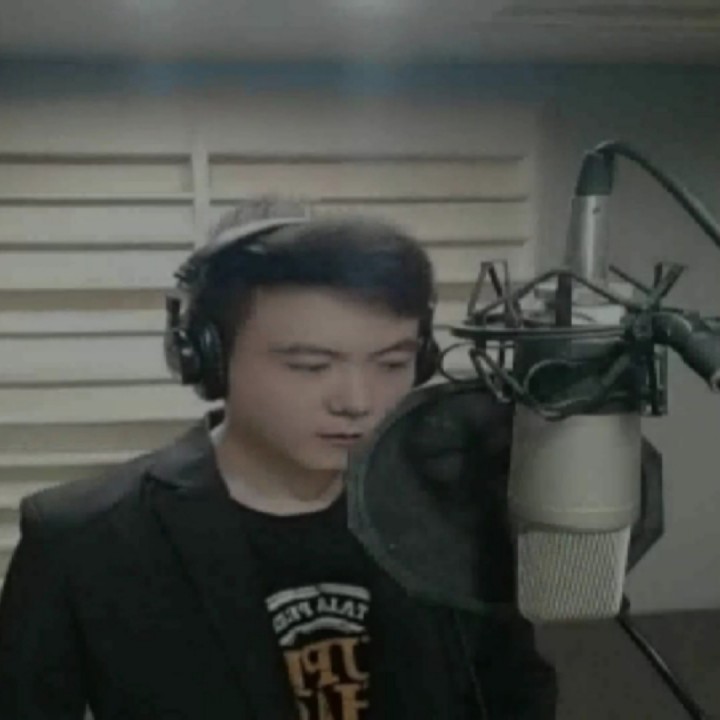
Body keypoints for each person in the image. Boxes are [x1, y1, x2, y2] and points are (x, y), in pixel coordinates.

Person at [0, 197, 557, 719]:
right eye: (310, 366)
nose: (357, 401)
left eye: (391, 363)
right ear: (209, 360)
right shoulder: (81, 541)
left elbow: (519, 700)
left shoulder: (454, 519)